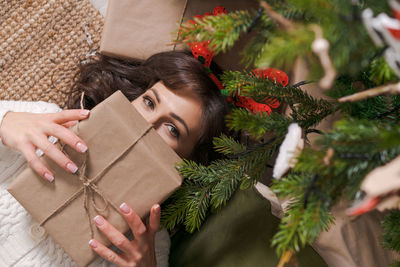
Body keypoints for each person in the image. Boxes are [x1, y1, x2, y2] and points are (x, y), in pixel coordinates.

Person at [0, 51, 228, 267]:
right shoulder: (48, 122)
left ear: (189, 161)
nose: (146, 124)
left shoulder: (145, 248)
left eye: (173, 129)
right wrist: (5, 122)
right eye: (149, 102)